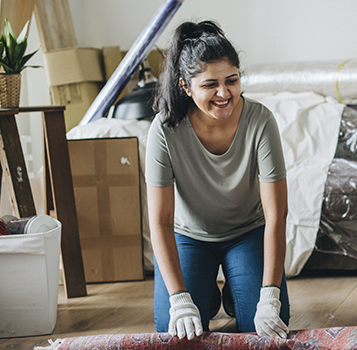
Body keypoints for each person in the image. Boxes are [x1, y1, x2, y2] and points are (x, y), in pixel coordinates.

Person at [146, 20, 290, 340]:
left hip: (247, 233)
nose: (224, 93)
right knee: (172, 332)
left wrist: (269, 296)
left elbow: (276, 213)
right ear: (186, 86)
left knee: (264, 330)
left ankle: (240, 294)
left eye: (232, 80)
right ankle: (206, 297)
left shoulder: (260, 121)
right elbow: (160, 221)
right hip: (190, 237)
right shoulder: (165, 129)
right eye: (210, 84)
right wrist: (181, 301)